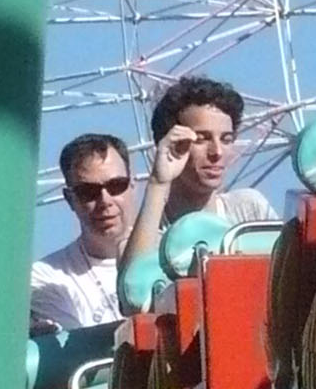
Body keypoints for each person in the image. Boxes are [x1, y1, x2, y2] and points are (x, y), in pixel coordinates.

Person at [118, 77, 282, 290]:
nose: (217, 152)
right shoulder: (146, 238)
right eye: (201, 139)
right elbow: (132, 293)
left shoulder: (249, 209)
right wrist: (158, 183)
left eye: (226, 139)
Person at [28, 132, 134, 332]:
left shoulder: (171, 253)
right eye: (89, 192)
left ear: (132, 184)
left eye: (116, 185)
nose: (105, 201)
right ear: (70, 199)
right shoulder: (46, 276)